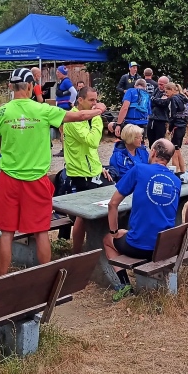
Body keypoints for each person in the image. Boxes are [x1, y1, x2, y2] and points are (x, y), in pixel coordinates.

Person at [0, 68, 105, 276]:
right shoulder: (42, 109)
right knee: (41, 230)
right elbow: (78, 116)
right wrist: (99, 110)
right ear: (31, 86)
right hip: (36, 178)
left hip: (9, 178)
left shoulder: (0, 112)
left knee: (6, 232)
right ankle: (45, 278)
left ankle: (0, 278)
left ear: (10, 86)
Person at [103, 139, 182, 301]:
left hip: (140, 246)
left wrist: (114, 232)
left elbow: (112, 204)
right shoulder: (176, 181)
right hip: (165, 246)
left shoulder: (139, 169)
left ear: (153, 152)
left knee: (108, 239)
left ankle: (124, 285)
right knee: (130, 231)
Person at [63, 86, 113, 253]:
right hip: (80, 173)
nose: (94, 104)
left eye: (96, 100)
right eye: (91, 100)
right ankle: (78, 251)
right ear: (80, 100)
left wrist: (100, 168)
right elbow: (92, 141)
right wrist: (98, 116)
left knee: (109, 204)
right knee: (83, 214)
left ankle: (98, 245)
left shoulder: (87, 117)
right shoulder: (73, 119)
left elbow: (90, 151)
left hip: (92, 171)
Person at [165, 82, 188, 173]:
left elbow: (173, 115)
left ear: (172, 90)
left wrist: (170, 129)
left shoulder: (173, 99)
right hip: (182, 126)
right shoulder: (182, 97)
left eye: (166, 92)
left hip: (176, 126)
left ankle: (176, 173)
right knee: (178, 150)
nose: (166, 94)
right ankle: (183, 171)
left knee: (174, 152)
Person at [54, 66, 76, 157]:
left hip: (64, 108)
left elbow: (74, 92)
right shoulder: (63, 81)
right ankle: (65, 149)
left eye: (58, 72)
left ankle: (64, 149)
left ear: (62, 73)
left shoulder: (66, 81)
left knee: (63, 130)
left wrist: (71, 102)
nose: (57, 74)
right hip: (62, 107)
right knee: (62, 129)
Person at [147, 76, 170, 144]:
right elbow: (150, 100)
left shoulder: (168, 92)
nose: (159, 86)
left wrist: (155, 100)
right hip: (152, 117)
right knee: (150, 139)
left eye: (161, 84)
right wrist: (156, 100)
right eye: (158, 84)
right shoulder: (157, 90)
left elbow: (163, 103)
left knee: (159, 141)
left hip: (161, 119)